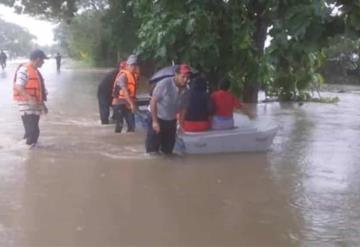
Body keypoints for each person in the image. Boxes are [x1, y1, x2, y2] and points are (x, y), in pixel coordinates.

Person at [145, 64, 191, 154]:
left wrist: (181, 124)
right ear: (176, 75)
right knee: (152, 151)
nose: (185, 80)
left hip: (171, 120)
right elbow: (153, 101)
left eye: (187, 77)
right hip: (156, 116)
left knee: (168, 151)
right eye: (183, 77)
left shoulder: (186, 90)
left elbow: (183, 108)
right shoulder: (164, 84)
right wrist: (155, 122)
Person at [13, 49, 49, 148]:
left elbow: (40, 92)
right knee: (33, 132)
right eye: (43, 60)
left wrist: (43, 106)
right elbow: (18, 86)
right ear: (38, 59)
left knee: (31, 132)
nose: (43, 62)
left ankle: (23, 151)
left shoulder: (36, 72)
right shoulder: (24, 69)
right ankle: (26, 152)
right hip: (27, 106)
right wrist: (30, 99)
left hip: (35, 106)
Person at [112, 55, 140, 133]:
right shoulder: (123, 76)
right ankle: (117, 140)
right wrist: (132, 104)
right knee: (119, 125)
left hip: (127, 104)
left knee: (132, 127)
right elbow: (125, 92)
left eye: (135, 65)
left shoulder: (134, 76)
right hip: (118, 104)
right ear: (127, 66)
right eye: (131, 65)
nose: (133, 67)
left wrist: (132, 102)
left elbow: (132, 91)